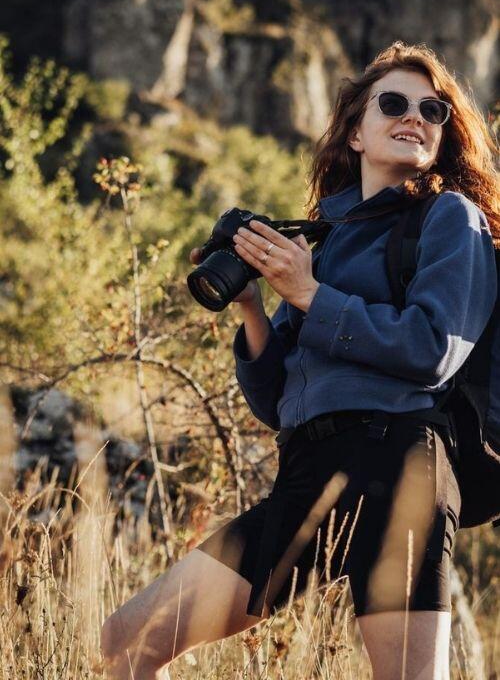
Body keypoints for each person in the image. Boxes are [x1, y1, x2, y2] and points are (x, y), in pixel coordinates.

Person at [100, 42, 499, 680]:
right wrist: (256, 309)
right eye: (394, 103)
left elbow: (433, 349)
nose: (416, 116)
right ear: (356, 132)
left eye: (434, 110)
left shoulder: (452, 218)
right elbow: (274, 401)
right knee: (126, 643)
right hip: (309, 465)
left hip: (400, 465)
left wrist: (311, 295)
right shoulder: (321, 243)